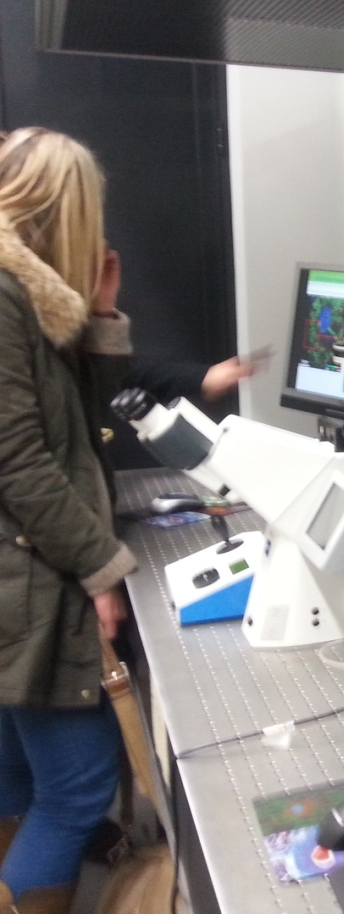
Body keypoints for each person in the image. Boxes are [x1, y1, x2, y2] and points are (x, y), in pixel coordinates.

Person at [0, 128, 138, 913]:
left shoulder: (29, 296)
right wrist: (100, 568)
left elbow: (80, 427)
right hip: (26, 583)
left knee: (15, 779)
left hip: (16, 577)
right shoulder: (2, 296)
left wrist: (103, 314)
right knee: (79, 787)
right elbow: (19, 463)